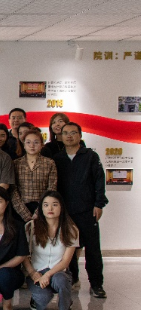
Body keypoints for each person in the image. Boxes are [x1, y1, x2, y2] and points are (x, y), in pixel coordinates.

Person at [54, 122, 108, 298]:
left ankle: (96, 284)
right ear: (60, 136)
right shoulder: (58, 159)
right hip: (65, 213)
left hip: (87, 210)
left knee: (92, 250)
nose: (69, 136)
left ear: (80, 135)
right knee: (67, 249)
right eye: (65, 133)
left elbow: (99, 180)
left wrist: (99, 204)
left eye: (73, 133)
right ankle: (72, 278)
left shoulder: (90, 156)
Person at [23, 191, 80, 310]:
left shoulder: (71, 230)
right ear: (41, 208)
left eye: (55, 204)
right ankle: (36, 299)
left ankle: (65, 306)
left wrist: (48, 275)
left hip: (59, 272)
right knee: (43, 299)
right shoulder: (31, 227)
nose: (50, 208)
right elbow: (23, 255)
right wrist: (33, 273)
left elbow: (65, 262)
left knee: (61, 280)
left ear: (61, 207)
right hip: (37, 272)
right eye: (46, 205)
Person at [11, 129, 58, 223]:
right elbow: (13, 190)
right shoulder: (16, 164)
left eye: (36, 142)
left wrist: (38, 212)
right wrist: (25, 215)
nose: (32, 145)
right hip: (20, 210)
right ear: (24, 145)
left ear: (42, 145)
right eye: (28, 142)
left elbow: (51, 188)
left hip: (43, 208)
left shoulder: (49, 163)